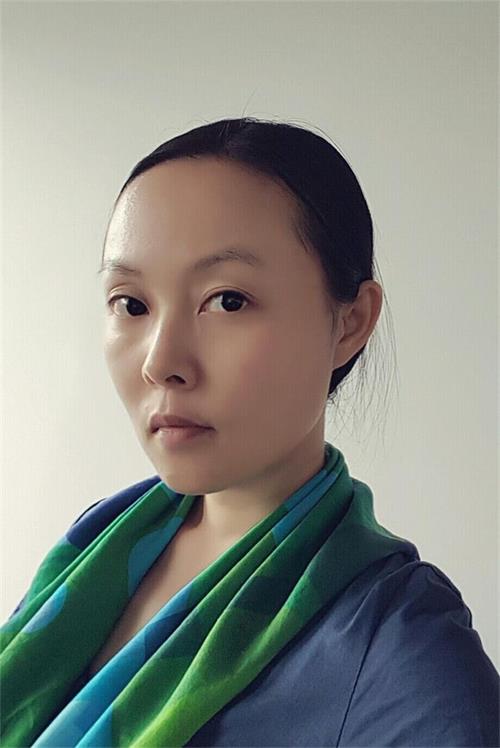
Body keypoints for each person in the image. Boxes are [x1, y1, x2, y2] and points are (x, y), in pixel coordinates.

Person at [1, 117, 498, 747]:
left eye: (228, 300)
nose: (161, 361)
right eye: (132, 304)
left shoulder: (398, 639)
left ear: (349, 322)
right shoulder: (100, 542)